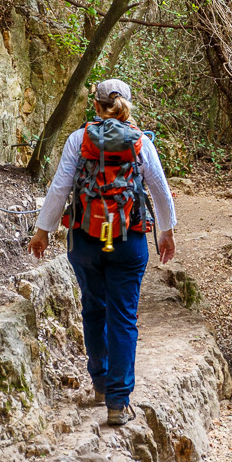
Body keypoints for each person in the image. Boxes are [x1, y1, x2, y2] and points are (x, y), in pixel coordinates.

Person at [28, 78, 176, 426]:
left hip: (85, 240)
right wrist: (166, 234)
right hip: (128, 241)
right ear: (127, 106)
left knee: (94, 309)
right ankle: (118, 401)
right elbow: (160, 192)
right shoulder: (140, 143)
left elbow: (60, 187)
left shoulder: (78, 140)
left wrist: (42, 232)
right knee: (123, 317)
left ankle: (99, 384)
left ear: (94, 106)